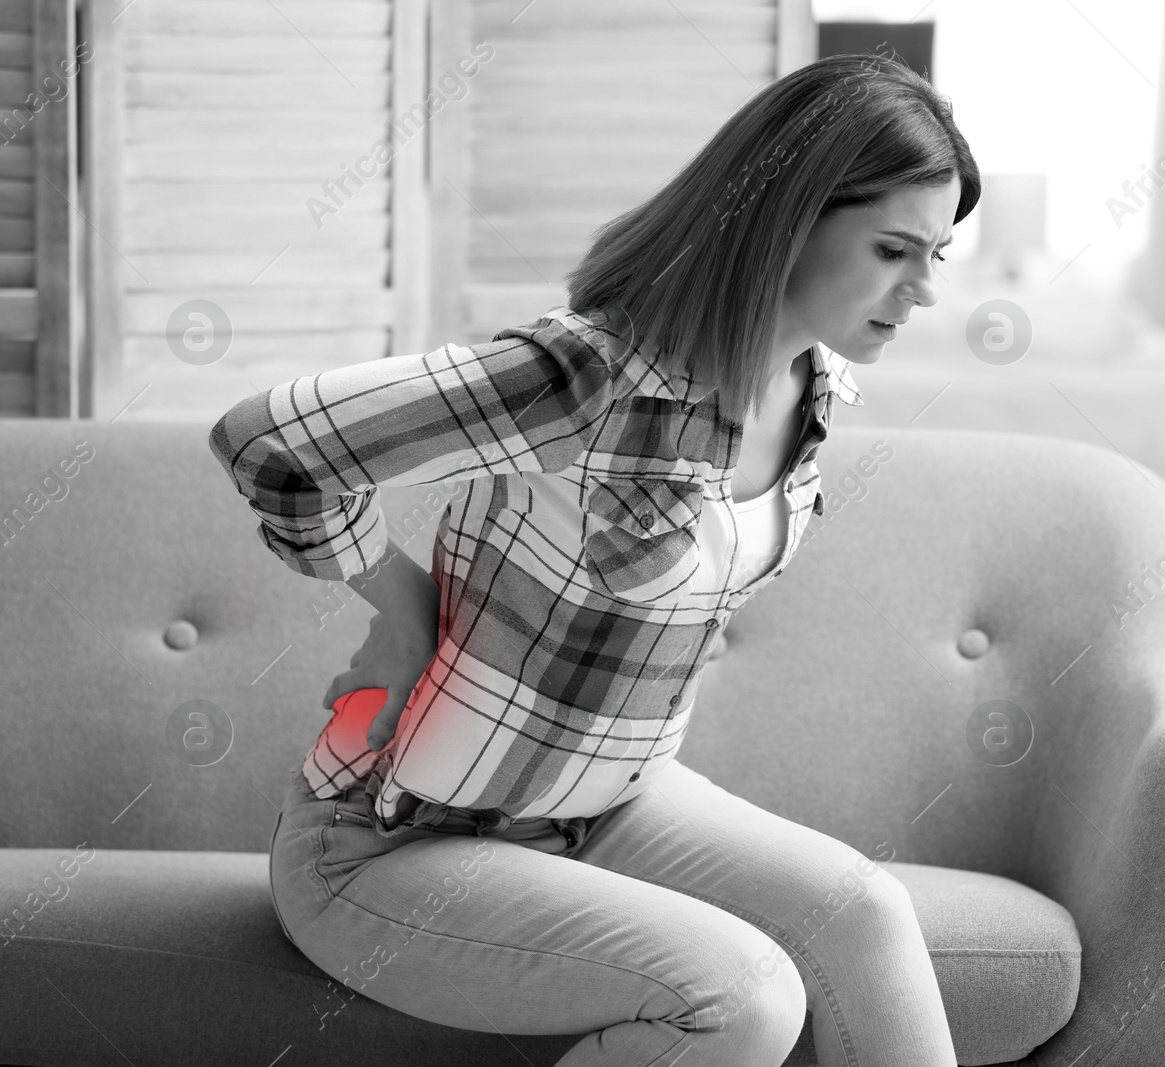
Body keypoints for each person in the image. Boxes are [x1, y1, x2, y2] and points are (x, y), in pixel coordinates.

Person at [209, 51, 980, 1067]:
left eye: (936, 254)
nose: (923, 289)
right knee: (743, 997)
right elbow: (271, 438)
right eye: (894, 249)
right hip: (396, 838)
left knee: (867, 912)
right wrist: (401, 615)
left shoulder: (814, 383)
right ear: (786, 216)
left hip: (606, 802)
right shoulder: (582, 375)